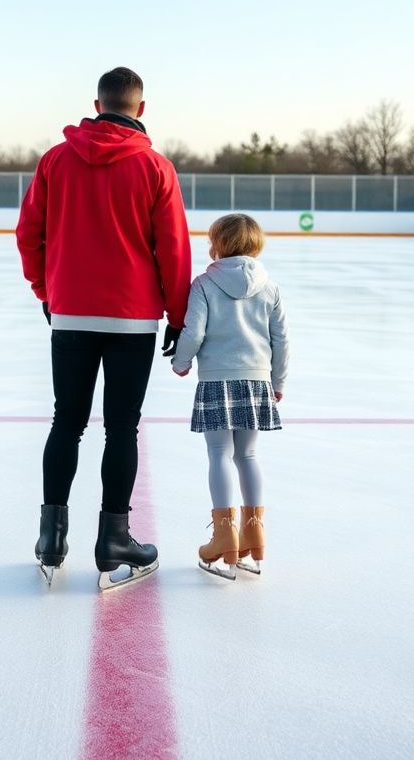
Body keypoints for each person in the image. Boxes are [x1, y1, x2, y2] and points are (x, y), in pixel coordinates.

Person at [16, 67, 192, 589]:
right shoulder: (156, 167)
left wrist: (47, 293)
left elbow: (30, 234)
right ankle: (114, 537)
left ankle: (52, 535)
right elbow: (174, 251)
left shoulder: (56, 160)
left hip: (70, 312)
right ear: (140, 109)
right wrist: (179, 320)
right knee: (122, 427)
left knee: (65, 422)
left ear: (97, 104)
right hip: (133, 320)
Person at [170, 213, 288, 580]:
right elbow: (281, 339)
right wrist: (278, 381)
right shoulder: (270, 287)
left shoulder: (205, 283)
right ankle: (254, 532)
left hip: (217, 379)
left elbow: (194, 330)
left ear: (217, 244)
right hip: (256, 380)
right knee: (248, 454)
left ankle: (225, 536)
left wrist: (180, 361)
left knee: (219, 453)